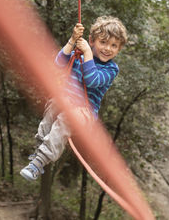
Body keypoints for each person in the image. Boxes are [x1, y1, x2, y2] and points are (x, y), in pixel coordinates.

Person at [20, 16, 128, 181]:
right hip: (65, 101)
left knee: (68, 117)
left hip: (84, 111)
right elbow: (59, 63)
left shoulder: (112, 69)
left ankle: (39, 161)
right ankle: (39, 148)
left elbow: (92, 80)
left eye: (114, 45)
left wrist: (87, 53)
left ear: (119, 49)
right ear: (92, 41)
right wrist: (72, 41)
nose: (108, 48)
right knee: (54, 104)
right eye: (103, 42)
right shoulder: (80, 54)